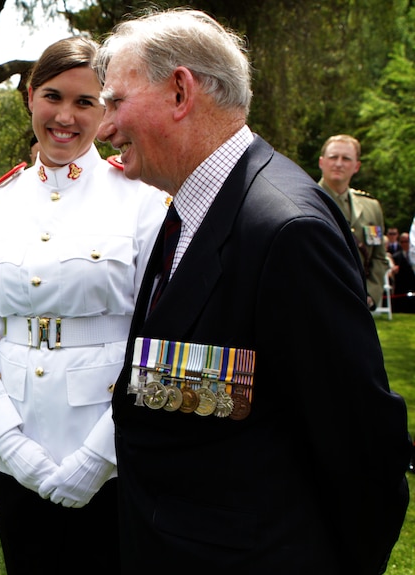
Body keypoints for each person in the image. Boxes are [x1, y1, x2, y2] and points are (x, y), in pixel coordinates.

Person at [95, 9, 411, 574]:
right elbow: (246, 384)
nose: (103, 128)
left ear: (180, 90)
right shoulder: (197, 206)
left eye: (115, 102)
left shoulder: (286, 229)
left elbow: (360, 443)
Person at [0, 37, 167, 574]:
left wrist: (98, 457)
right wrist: (8, 443)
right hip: (17, 445)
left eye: (85, 102)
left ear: (107, 110)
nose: (65, 116)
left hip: (113, 452)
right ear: (29, 97)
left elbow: (158, 342)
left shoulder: (143, 201)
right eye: (53, 96)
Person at [318, 134, 389, 309]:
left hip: (359, 303)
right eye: (333, 157)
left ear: (356, 166)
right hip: (318, 301)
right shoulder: (303, 200)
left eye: (346, 159)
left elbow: (379, 256)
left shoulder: (371, 207)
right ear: (321, 162)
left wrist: (371, 293)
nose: (339, 163)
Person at [391, 232, 415, 312]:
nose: (405, 244)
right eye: (402, 242)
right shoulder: (396, 256)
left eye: (407, 241)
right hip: (402, 287)